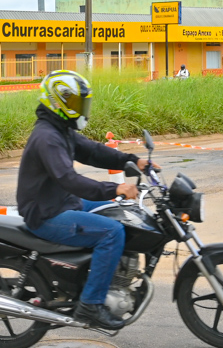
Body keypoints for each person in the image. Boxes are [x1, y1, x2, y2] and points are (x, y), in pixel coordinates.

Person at [17, 70, 156, 330]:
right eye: (76, 103)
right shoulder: (48, 138)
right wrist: (113, 189)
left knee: (122, 212)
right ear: (58, 102)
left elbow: (92, 151)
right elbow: (69, 179)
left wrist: (132, 160)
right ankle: (90, 305)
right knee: (112, 232)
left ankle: (96, 278)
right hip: (46, 213)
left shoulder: (61, 129)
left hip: (61, 202)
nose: (82, 108)